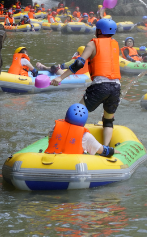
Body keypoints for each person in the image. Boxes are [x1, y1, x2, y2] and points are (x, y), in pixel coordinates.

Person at [51, 18, 122, 147]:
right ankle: (105, 147)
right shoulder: (116, 44)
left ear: (98, 31)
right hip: (116, 86)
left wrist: (61, 78)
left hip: (101, 85)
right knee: (108, 119)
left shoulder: (93, 44)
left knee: (77, 113)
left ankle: (66, 142)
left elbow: (79, 63)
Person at [44, 103, 114, 157]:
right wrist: (113, 151)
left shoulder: (54, 127)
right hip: (72, 166)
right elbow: (103, 151)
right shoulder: (86, 136)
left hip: (52, 162)